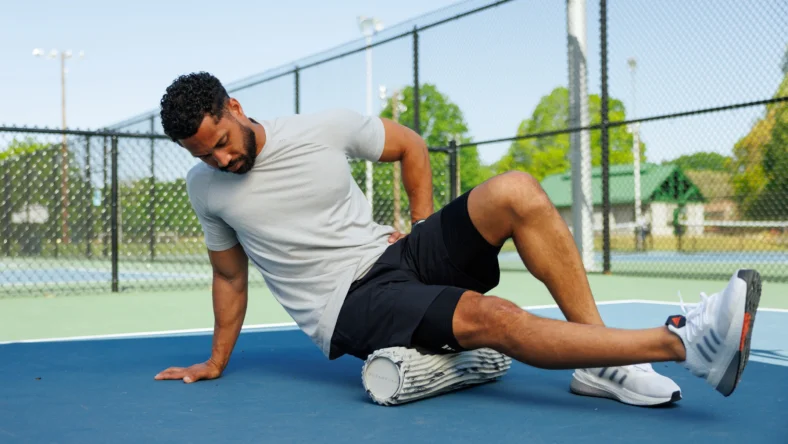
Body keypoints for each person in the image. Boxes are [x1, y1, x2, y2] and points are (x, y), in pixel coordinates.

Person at [153, 72, 761, 406]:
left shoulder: (321, 128)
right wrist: (216, 360)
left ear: (234, 106)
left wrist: (421, 225)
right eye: (204, 155)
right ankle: (685, 345)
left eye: (221, 141)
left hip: (395, 254)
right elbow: (229, 275)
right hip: (349, 306)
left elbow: (410, 146)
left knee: (516, 189)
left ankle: (599, 366)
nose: (221, 159)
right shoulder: (206, 189)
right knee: (494, 317)